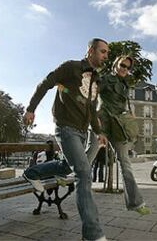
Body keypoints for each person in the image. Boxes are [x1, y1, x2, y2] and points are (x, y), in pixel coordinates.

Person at [22, 38, 109, 241]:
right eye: (103, 51)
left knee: (65, 166)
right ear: (90, 51)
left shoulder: (96, 81)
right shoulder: (71, 68)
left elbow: (91, 110)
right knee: (83, 172)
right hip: (65, 128)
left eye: (107, 53)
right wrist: (31, 108)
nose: (106, 55)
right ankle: (92, 234)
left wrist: (98, 132)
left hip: (81, 131)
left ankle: (31, 172)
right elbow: (46, 83)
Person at [87, 55, 150, 215]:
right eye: (122, 65)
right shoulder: (106, 79)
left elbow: (120, 105)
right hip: (103, 123)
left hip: (118, 126)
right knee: (88, 157)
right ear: (116, 64)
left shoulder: (124, 84)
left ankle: (136, 203)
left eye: (128, 67)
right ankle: (61, 173)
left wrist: (129, 113)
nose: (125, 69)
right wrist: (95, 121)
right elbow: (91, 97)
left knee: (125, 164)